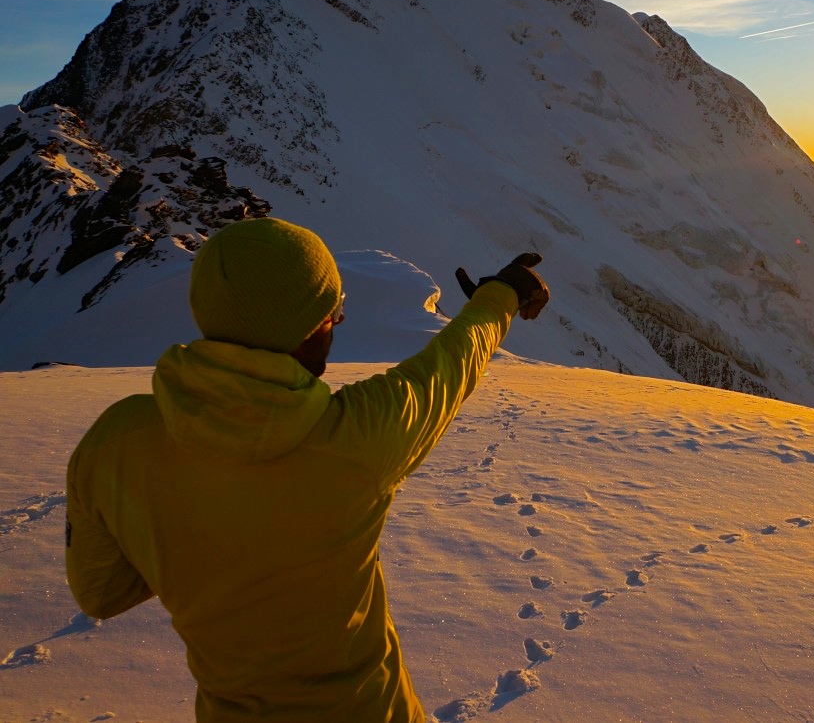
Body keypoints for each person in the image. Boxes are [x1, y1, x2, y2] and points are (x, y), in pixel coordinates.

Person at [65, 217, 549, 722]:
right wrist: (502, 296)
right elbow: (451, 366)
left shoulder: (115, 441)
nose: (337, 323)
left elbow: (102, 593)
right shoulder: (356, 436)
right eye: (331, 313)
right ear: (303, 328)